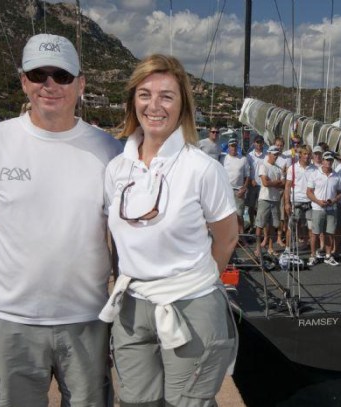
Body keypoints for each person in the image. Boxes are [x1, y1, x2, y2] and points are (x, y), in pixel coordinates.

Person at [0, 34, 122, 405]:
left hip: (89, 321)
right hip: (11, 322)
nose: (50, 84)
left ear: (80, 84)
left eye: (62, 76)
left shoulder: (110, 151)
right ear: (23, 81)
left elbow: (121, 241)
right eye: (38, 74)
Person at [101, 54, 238, 406]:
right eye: (145, 94)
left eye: (167, 96)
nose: (154, 105)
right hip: (132, 306)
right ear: (133, 101)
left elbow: (227, 238)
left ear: (182, 106)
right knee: (135, 402)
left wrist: (195, 285)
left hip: (191, 304)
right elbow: (115, 238)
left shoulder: (202, 168)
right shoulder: (116, 169)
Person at [307, 151, 341, 266]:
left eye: (331, 160)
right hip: (317, 208)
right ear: (322, 161)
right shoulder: (314, 174)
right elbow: (309, 192)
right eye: (327, 160)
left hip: (332, 209)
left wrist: (333, 201)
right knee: (315, 233)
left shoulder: (337, 176)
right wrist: (318, 201)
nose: (329, 162)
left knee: (329, 233)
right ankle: (313, 256)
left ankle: (328, 256)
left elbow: (340, 193)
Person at [255, 145, 284, 256]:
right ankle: (258, 248)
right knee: (260, 224)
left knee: (273, 226)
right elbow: (265, 183)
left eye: (277, 154)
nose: (276, 156)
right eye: (274, 154)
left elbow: (283, 184)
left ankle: (271, 248)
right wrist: (276, 182)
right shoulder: (263, 166)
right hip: (264, 199)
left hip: (275, 200)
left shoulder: (278, 168)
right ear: (269, 154)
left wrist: (272, 182)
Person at [284, 144, 315, 250]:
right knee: (291, 226)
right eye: (305, 154)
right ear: (300, 155)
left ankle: (312, 252)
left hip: (310, 202)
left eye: (309, 154)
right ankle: (287, 249)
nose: (307, 156)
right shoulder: (292, 168)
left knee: (311, 228)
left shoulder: (315, 169)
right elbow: (287, 186)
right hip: (296, 201)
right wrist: (287, 203)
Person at [221, 136, 251, 235]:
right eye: (231, 146)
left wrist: (244, 188)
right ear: (229, 147)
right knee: (228, 215)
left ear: (237, 146)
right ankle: (230, 236)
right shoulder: (224, 158)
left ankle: (241, 236)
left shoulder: (243, 159)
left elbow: (247, 176)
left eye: (235, 146)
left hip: (239, 191)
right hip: (227, 190)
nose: (233, 148)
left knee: (239, 215)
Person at [246, 136, 266, 231]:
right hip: (252, 185)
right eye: (257, 142)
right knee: (251, 206)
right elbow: (247, 170)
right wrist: (251, 180)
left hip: (263, 185)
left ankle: (259, 227)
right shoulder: (249, 155)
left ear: (263, 143)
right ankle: (252, 225)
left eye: (261, 142)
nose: (259, 144)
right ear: (254, 143)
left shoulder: (266, 155)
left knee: (260, 208)